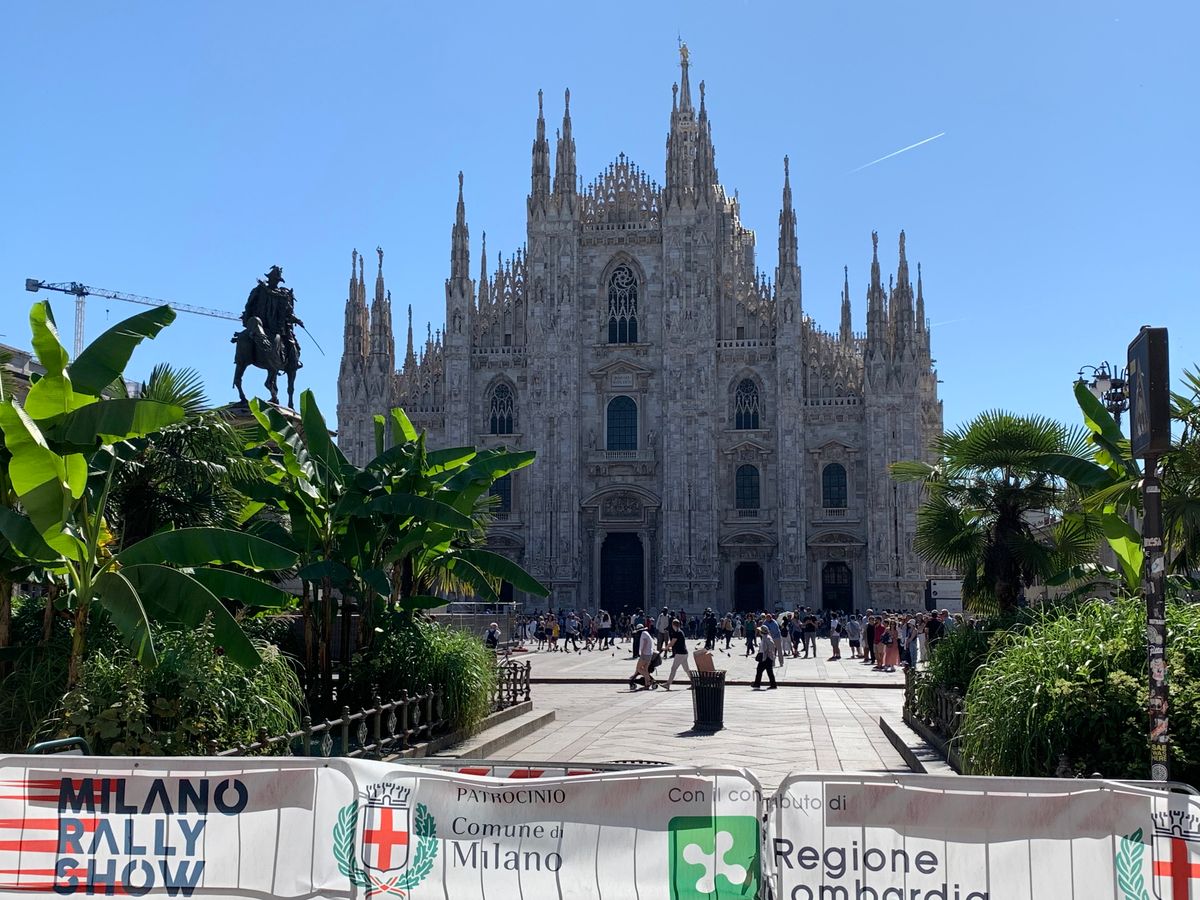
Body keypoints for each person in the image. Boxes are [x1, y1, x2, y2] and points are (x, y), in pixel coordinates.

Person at [664, 619, 692, 690]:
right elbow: (677, 643)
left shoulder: (677, 633)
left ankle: (668, 684)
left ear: (673, 625)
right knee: (686, 669)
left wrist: (666, 648)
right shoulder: (680, 631)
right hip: (684, 653)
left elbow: (672, 643)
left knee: (673, 668)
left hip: (680, 654)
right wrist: (671, 648)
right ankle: (694, 682)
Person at [629, 625, 655, 690]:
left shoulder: (643, 634)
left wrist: (642, 652)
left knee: (639, 668)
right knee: (645, 669)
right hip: (649, 654)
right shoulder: (646, 633)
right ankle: (647, 684)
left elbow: (645, 642)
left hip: (645, 654)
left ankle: (650, 680)